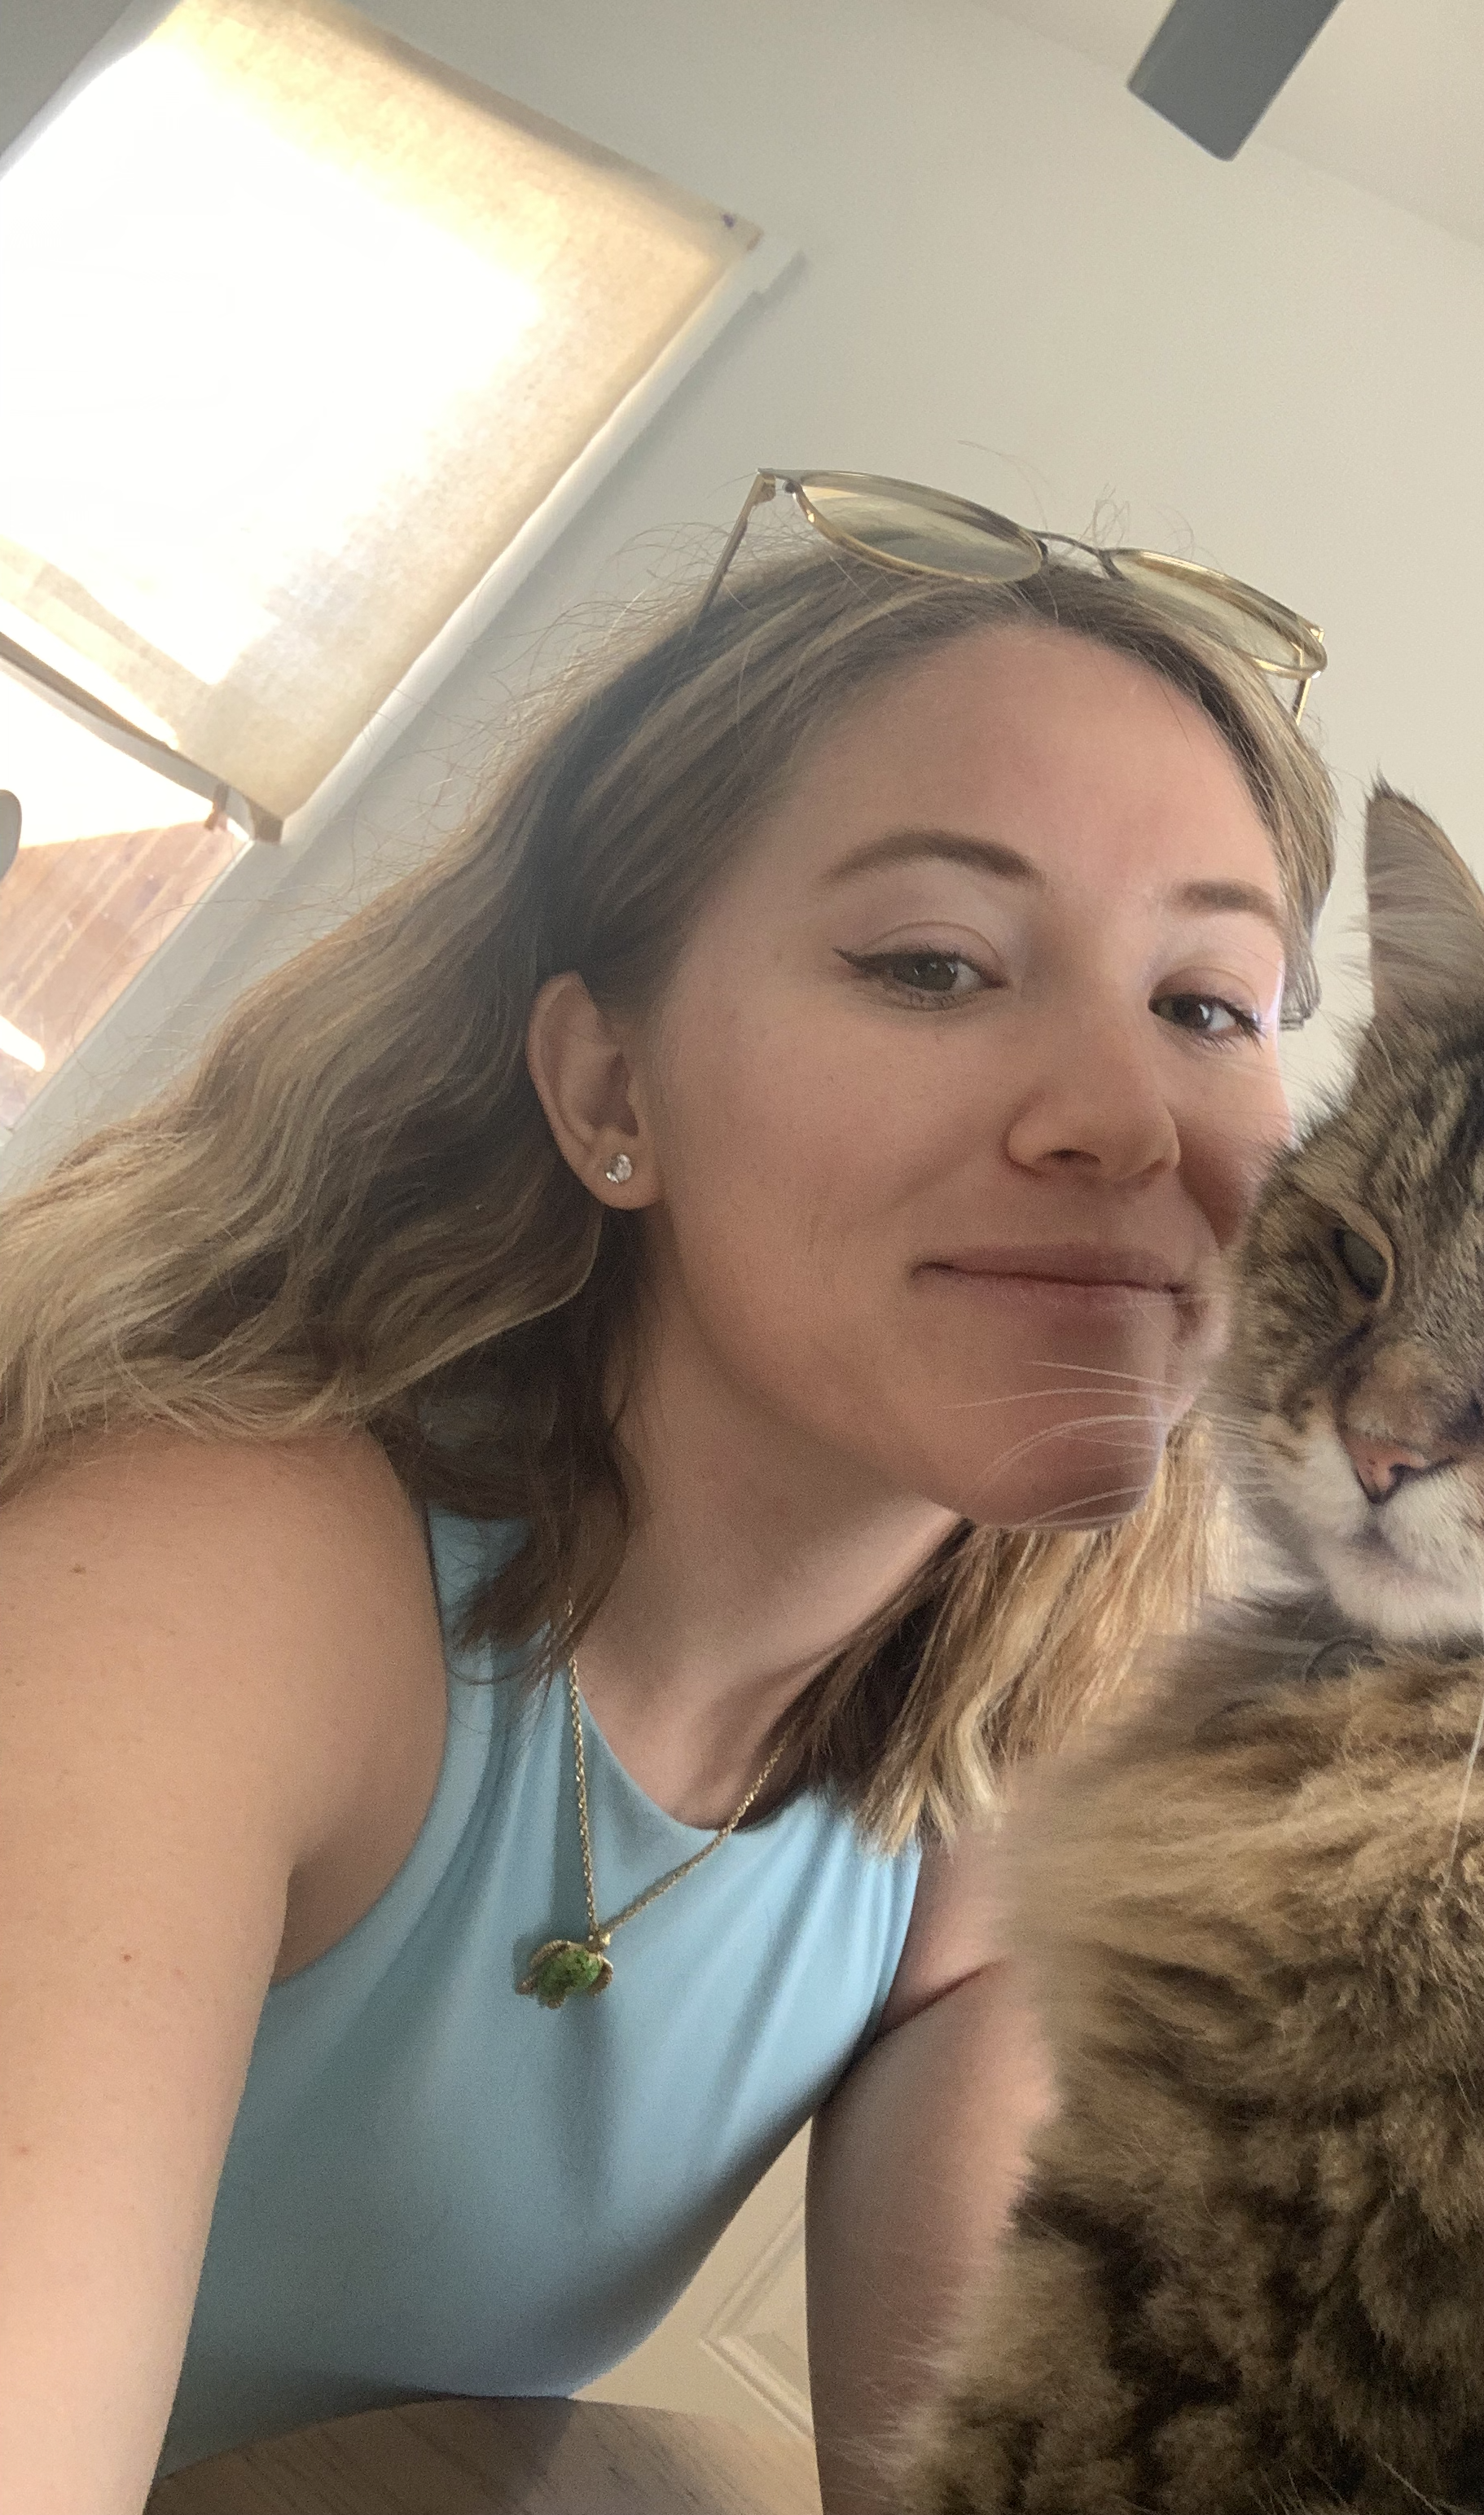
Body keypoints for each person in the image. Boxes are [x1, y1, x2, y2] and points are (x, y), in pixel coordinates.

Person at [0, 472, 1336, 2514]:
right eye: (932, 961)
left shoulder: (993, 1785)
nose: (1124, 1117)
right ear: (612, 1091)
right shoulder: (208, 1580)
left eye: (1206, 1006)